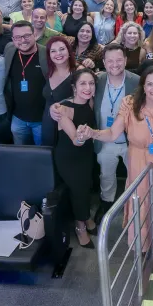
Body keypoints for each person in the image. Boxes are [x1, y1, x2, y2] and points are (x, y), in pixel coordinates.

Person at [77, 66, 153, 251]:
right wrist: (93, 133)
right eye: (150, 84)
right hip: (139, 158)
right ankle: (142, 242)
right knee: (141, 200)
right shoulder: (129, 104)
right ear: (143, 86)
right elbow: (113, 133)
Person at [90, 45, 140, 224]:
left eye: (119, 60)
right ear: (103, 62)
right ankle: (106, 205)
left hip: (130, 141)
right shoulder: (97, 80)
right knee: (106, 175)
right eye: (110, 61)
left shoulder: (137, 81)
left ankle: (136, 208)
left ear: (126, 60)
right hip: (104, 139)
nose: (115, 64)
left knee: (135, 176)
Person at [54, 69, 99, 248]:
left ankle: (86, 217)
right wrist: (81, 136)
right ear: (74, 87)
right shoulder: (63, 108)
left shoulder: (91, 102)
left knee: (86, 186)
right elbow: (75, 140)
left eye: (91, 83)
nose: (87, 88)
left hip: (86, 154)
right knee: (79, 190)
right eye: (83, 84)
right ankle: (80, 227)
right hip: (69, 157)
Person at [5, 21, 49, 146]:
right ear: (13, 39)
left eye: (26, 36)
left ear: (34, 35)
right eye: (18, 37)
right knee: (20, 153)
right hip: (17, 118)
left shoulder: (47, 54)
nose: (23, 40)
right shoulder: (9, 50)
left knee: (41, 153)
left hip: (41, 119)